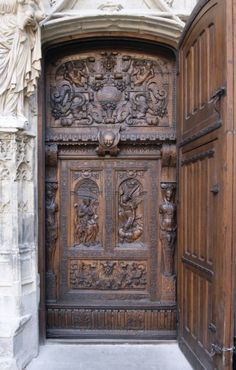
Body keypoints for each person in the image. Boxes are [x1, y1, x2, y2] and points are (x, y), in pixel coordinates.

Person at [0, 0, 44, 124]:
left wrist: (32, 22)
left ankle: (11, 110)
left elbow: (39, 12)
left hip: (20, 36)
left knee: (17, 75)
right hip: (3, 34)